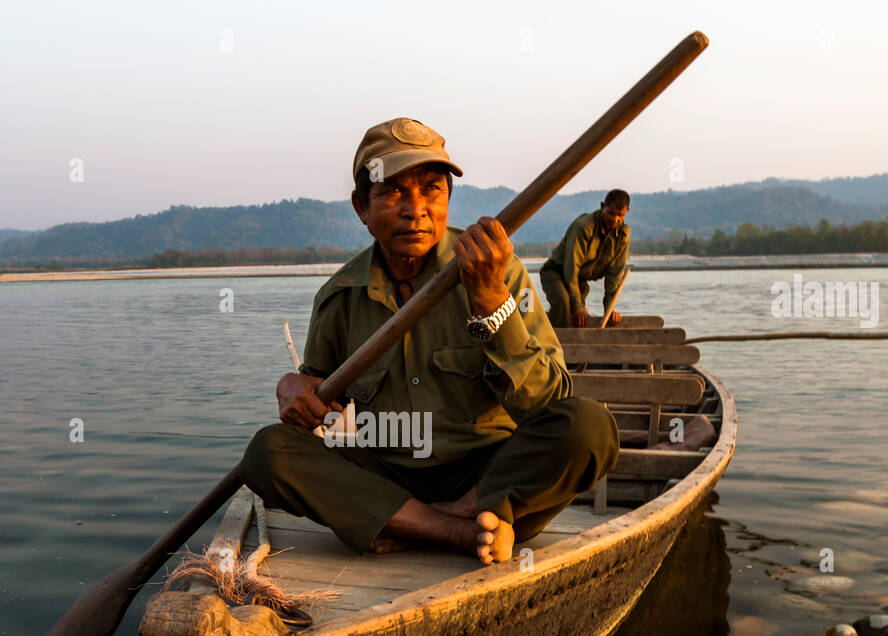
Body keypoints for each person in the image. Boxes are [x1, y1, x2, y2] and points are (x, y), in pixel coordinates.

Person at [238, 118, 620, 566]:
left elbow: (550, 403)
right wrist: (293, 390)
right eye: (394, 191)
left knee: (590, 428)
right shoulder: (339, 298)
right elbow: (319, 406)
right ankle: (451, 530)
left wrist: (491, 300)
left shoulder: (500, 271)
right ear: (362, 207)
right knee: (266, 453)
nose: (415, 209)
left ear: (448, 199)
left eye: (431, 190)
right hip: (387, 479)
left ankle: (429, 520)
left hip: (491, 482)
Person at [540, 190, 630, 328]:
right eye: (611, 213)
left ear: (626, 212)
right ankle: (545, 338)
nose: (615, 219)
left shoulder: (623, 234)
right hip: (556, 272)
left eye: (620, 215)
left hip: (579, 282)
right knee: (564, 305)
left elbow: (614, 277)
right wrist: (577, 307)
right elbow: (571, 270)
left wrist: (609, 310)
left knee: (579, 321)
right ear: (602, 206)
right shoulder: (584, 227)